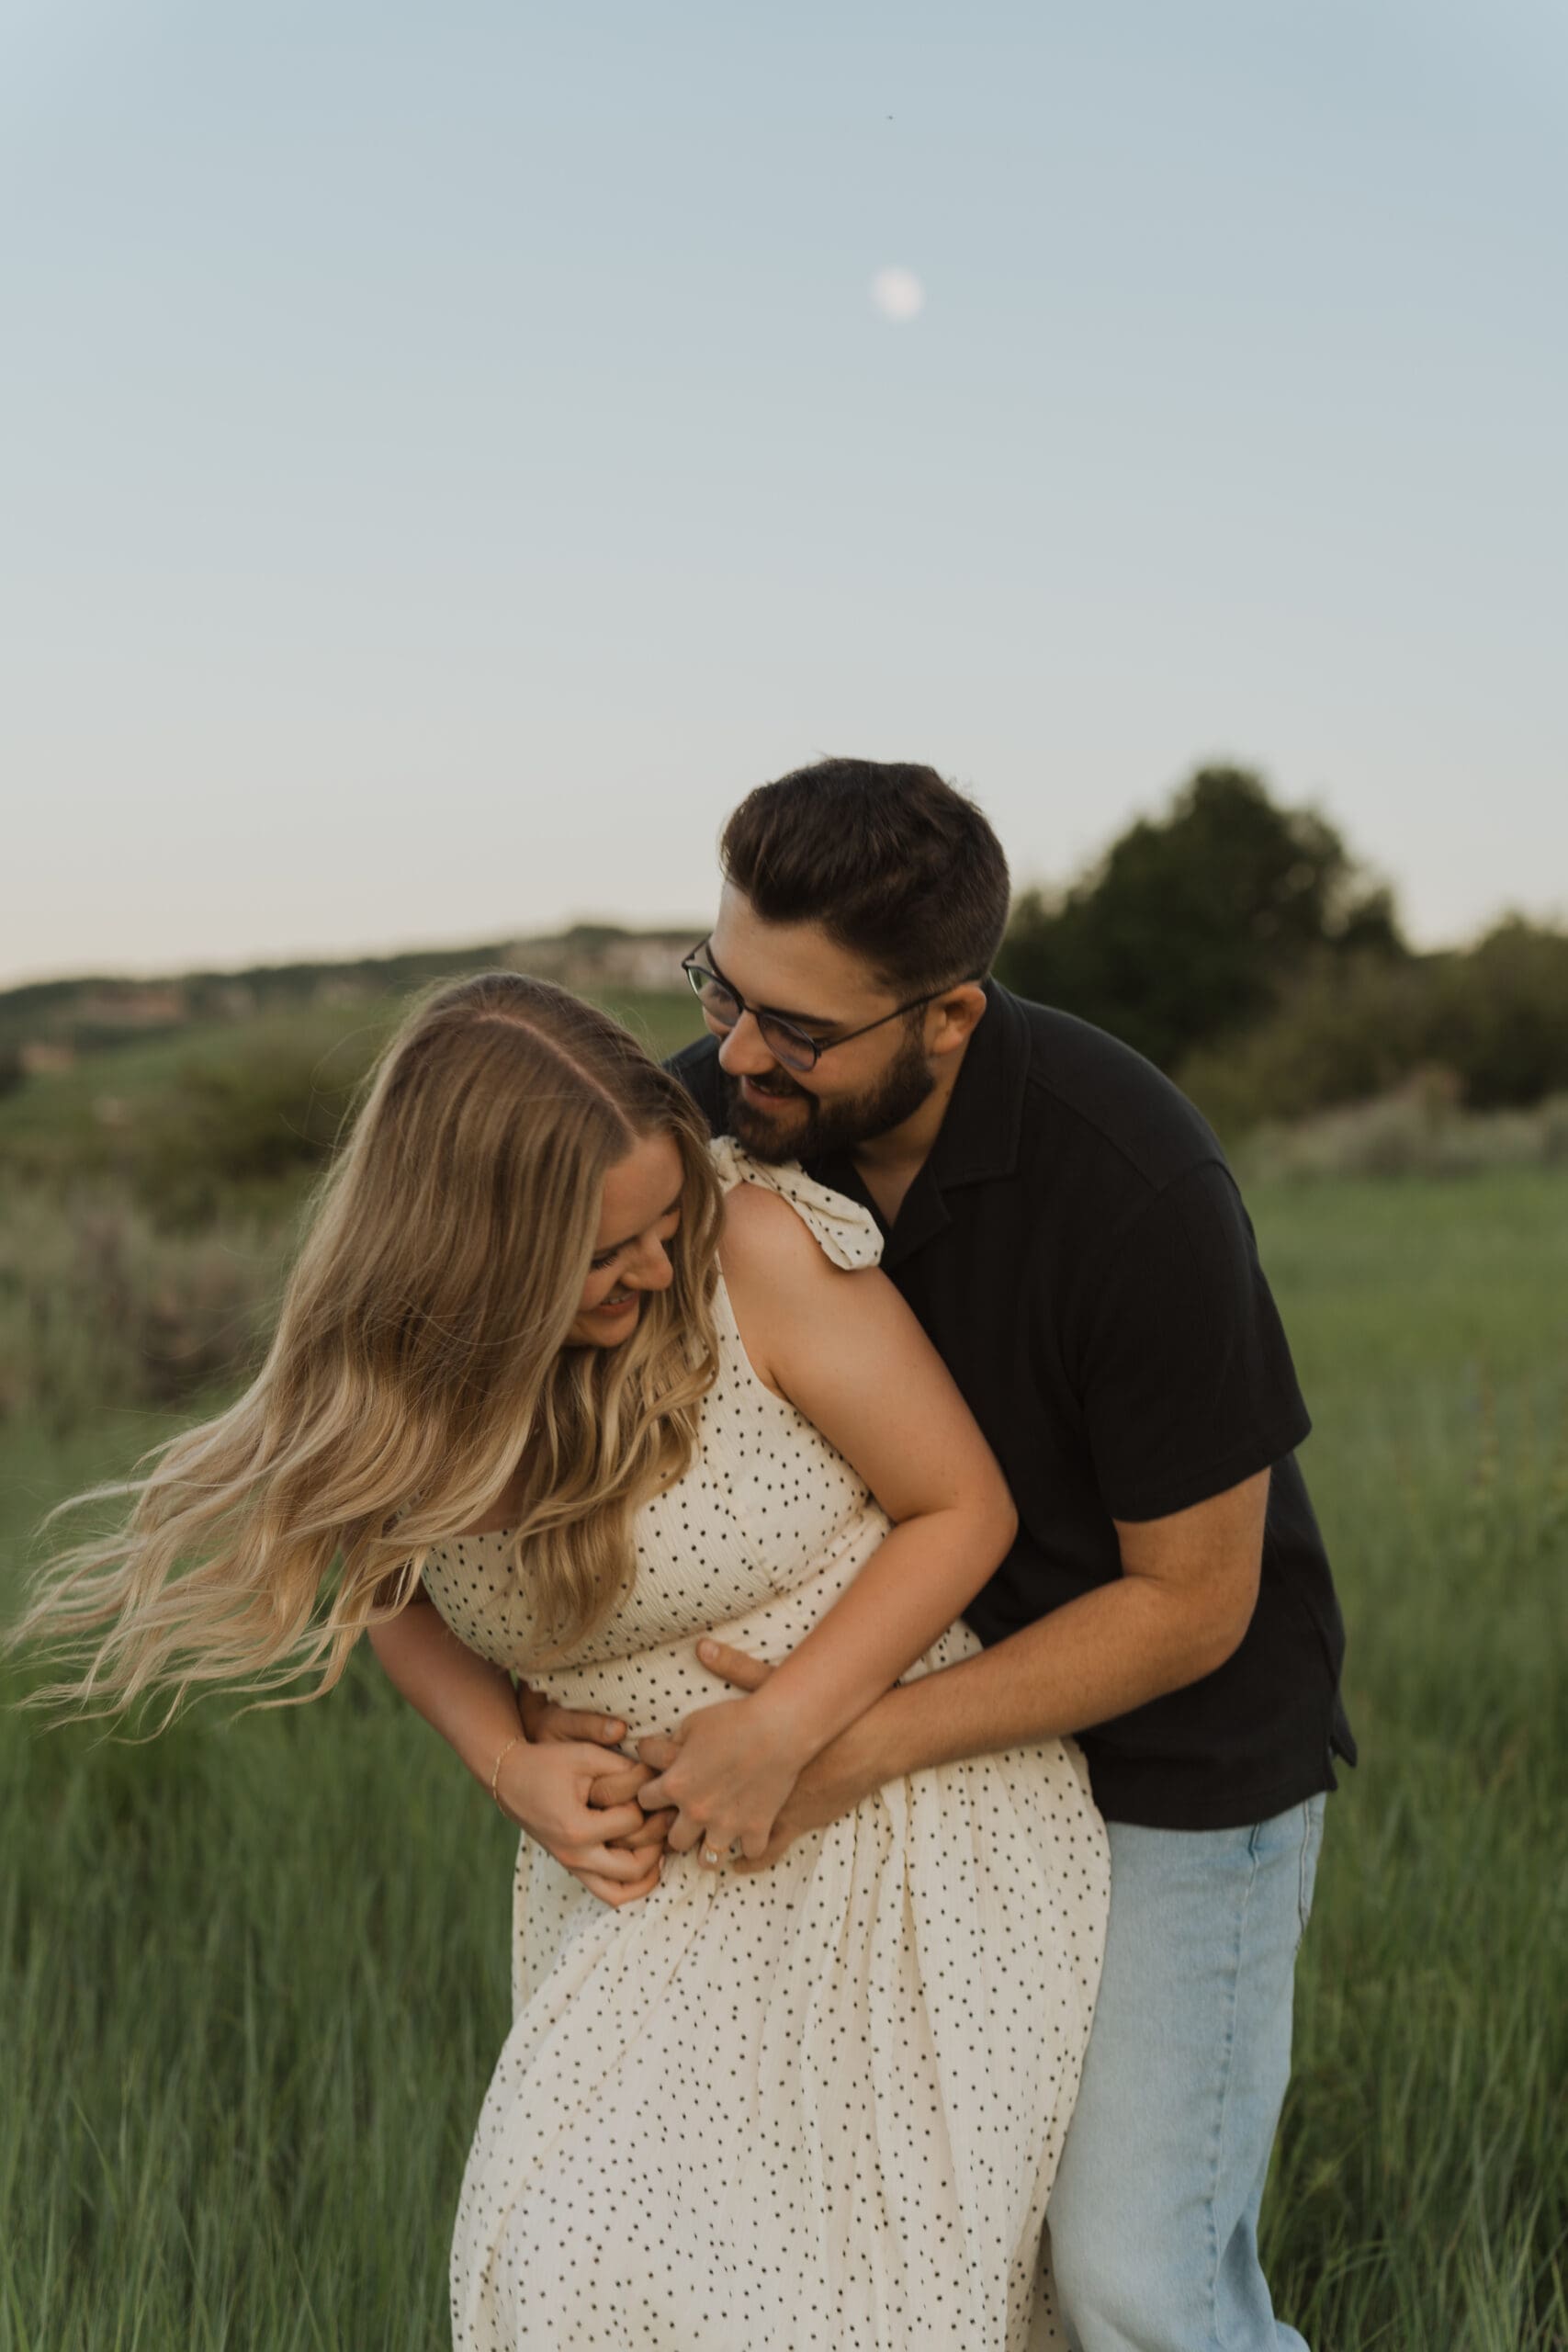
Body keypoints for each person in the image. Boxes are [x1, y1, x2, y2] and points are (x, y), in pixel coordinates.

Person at [14, 971, 1109, 2351]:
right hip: (645, 1873)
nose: (654, 1272)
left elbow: (966, 1510)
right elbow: (370, 1564)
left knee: (842, 2310)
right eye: (605, 1256)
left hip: (892, 1826)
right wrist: (506, 1763)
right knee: (572, 2282)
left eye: (665, 1226)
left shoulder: (750, 1252)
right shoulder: (396, 1369)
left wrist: (788, 1736)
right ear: (478, 1259)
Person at [526, 758, 1354, 2352]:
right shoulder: (706, 1121)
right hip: (896, 1748)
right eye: (724, 987)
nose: (737, 1051)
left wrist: (829, 1737)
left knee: (1135, 2277)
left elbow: (1197, 1605)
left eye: (802, 1029)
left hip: (1172, 1760)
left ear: (952, 1016)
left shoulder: (1139, 1187)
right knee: (917, 2270)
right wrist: (534, 1713)